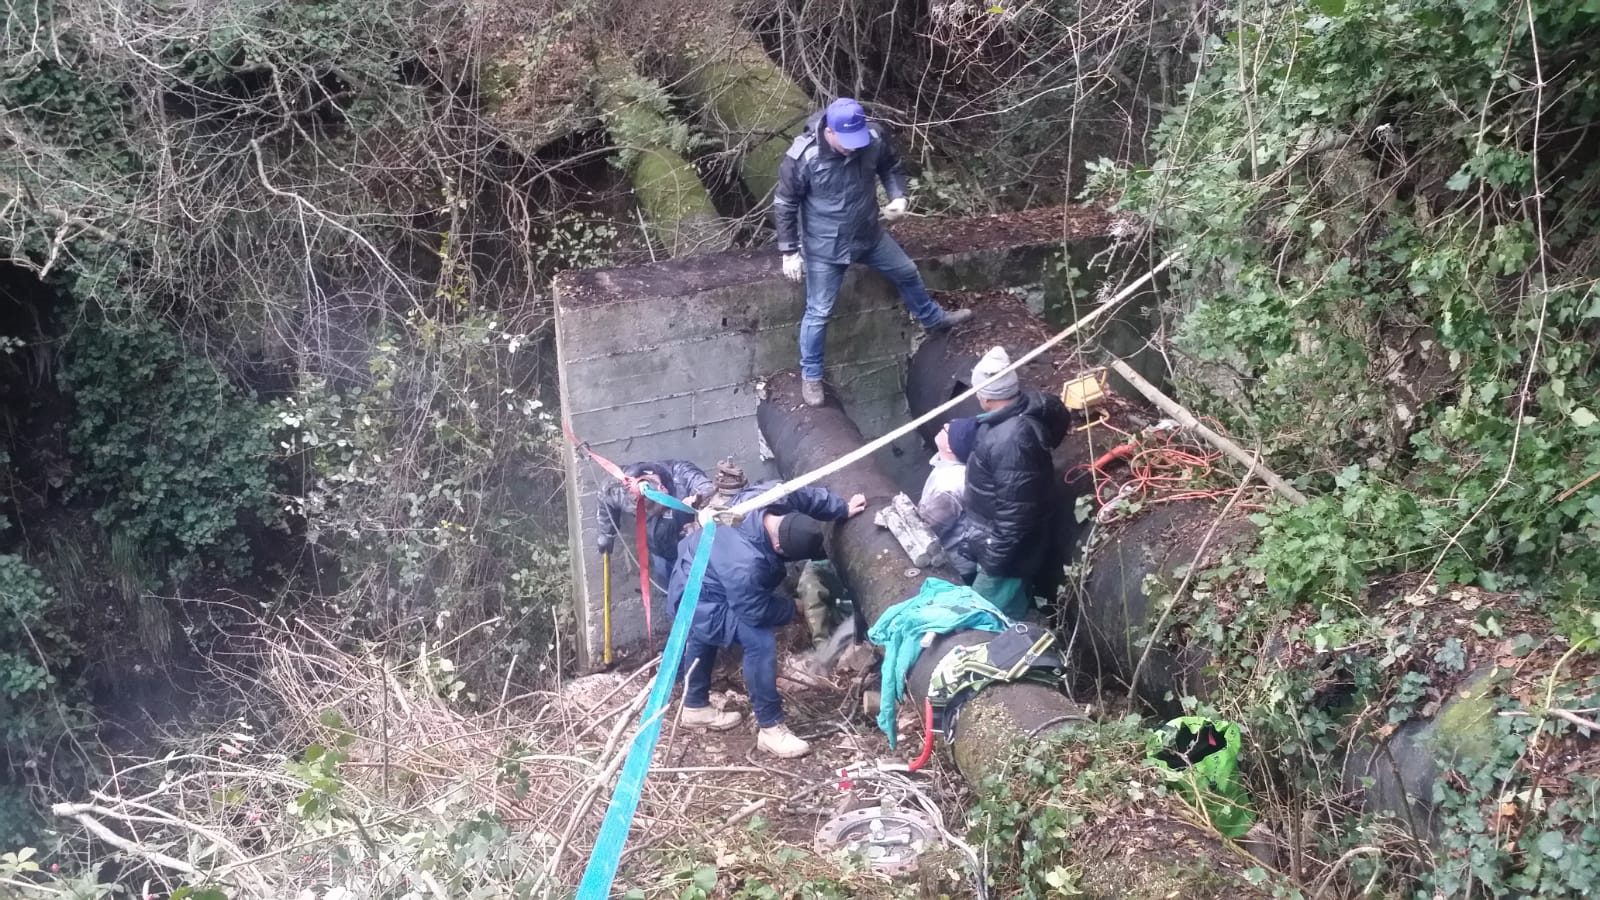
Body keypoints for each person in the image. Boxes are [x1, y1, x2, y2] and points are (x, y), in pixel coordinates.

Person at [773, 97, 974, 408]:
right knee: (819, 312)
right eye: (847, 142)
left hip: (869, 234)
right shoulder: (804, 156)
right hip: (825, 245)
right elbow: (786, 203)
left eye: (858, 140)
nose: (854, 147)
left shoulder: (873, 138)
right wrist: (789, 251)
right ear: (830, 133)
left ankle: (933, 320)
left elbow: (891, 167)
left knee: (907, 271)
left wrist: (899, 198)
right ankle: (811, 375)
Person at [668, 482, 868, 758]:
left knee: (704, 633)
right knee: (758, 640)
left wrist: (840, 508)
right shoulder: (745, 566)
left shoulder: (773, 497)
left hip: (701, 564)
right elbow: (755, 611)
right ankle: (771, 729)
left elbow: (805, 493)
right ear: (777, 546)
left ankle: (694, 707)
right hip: (694, 592)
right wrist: (792, 608)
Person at [962, 346, 1072, 619]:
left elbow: (1016, 514)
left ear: (987, 396)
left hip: (1006, 556)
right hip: (1000, 544)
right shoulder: (1009, 423)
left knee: (980, 616)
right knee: (1012, 606)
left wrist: (993, 561)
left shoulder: (1012, 440)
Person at [596, 460, 713, 592]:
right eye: (642, 512)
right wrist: (607, 532)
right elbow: (604, 494)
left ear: (663, 490)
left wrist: (698, 502)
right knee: (669, 590)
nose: (648, 515)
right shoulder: (621, 490)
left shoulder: (682, 476)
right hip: (660, 551)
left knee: (698, 593)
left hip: (691, 550)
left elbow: (709, 490)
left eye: (652, 508)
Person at [919, 417, 979, 584]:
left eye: (948, 430)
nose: (944, 425)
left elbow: (927, 528)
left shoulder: (949, 485)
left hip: (956, 565)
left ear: (950, 447)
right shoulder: (949, 467)